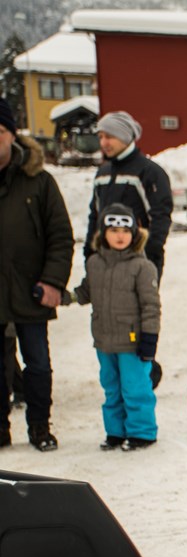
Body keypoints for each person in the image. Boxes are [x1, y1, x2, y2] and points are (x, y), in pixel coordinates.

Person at [0, 96, 74, 451]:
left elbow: (60, 237)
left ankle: (39, 427)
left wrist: (53, 281)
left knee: (38, 364)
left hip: (31, 289)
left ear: (12, 134)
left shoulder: (39, 182)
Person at [84, 111, 172, 388]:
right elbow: (94, 216)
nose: (104, 142)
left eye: (108, 136)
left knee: (141, 313)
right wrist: (90, 253)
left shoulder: (148, 171)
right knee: (112, 313)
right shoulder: (103, 173)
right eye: (100, 136)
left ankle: (144, 367)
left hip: (140, 261)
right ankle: (119, 369)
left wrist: (151, 254)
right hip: (107, 262)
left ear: (124, 136)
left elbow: (160, 214)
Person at [64, 203, 161, 451]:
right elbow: (86, 291)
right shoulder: (95, 263)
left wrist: (150, 340)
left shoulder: (142, 266)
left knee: (135, 388)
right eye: (114, 230)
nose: (120, 236)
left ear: (134, 235)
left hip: (133, 342)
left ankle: (142, 432)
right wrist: (65, 297)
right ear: (103, 233)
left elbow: (151, 306)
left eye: (125, 231)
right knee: (111, 388)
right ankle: (116, 432)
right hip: (104, 340)